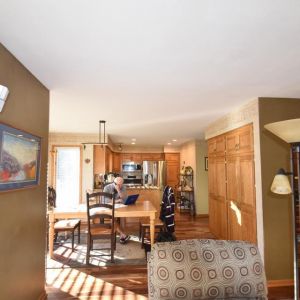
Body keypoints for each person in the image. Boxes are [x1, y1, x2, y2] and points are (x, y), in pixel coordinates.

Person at [104, 176, 130, 244]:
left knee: (123, 216)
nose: (120, 186)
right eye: (118, 184)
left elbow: (124, 199)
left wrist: (118, 190)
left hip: (119, 207)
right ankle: (123, 234)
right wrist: (117, 201)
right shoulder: (107, 188)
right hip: (109, 207)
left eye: (121, 184)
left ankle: (122, 236)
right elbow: (105, 200)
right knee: (112, 218)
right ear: (114, 183)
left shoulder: (123, 187)